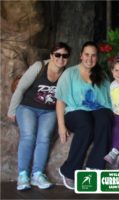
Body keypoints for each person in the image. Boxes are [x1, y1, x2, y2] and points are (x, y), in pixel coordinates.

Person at [7, 42, 71, 191]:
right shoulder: (39, 66)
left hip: (49, 111)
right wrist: (12, 110)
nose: (61, 58)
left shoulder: (66, 74)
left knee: (44, 138)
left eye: (65, 56)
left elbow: (64, 99)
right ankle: (23, 175)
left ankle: (37, 174)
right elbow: (21, 87)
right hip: (27, 107)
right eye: (57, 55)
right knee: (28, 136)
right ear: (51, 55)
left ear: (68, 58)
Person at [55, 41, 113, 190]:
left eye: (93, 55)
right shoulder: (70, 73)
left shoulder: (102, 75)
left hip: (97, 110)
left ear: (97, 58)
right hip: (75, 112)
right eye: (87, 54)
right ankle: (68, 170)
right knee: (86, 124)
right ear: (81, 56)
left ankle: (94, 166)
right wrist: (61, 126)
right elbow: (60, 101)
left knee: (105, 119)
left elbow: (109, 100)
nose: (90, 58)